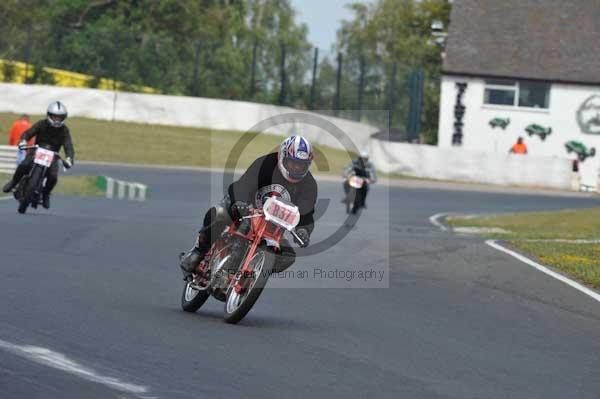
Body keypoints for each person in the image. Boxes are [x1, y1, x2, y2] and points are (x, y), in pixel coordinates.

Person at [180, 135, 318, 277]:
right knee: (219, 214)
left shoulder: (309, 185)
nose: (296, 168)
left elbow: (306, 213)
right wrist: (239, 202)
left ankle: (252, 274)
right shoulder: (266, 163)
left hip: (272, 228)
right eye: (293, 163)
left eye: (301, 165)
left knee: (288, 256)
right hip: (245, 209)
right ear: (283, 156)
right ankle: (198, 252)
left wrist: (304, 231)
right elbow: (244, 184)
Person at [2, 101, 74, 209]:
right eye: (54, 117)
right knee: (24, 165)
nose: (57, 120)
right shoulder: (41, 124)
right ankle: (14, 182)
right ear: (49, 115)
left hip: (53, 155)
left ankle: (46, 194)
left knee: (53, 176)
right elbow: (28, 133)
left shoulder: (64, 130)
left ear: (64, 118)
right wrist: (23, 140)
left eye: (59, 117)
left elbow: (68, 145)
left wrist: (69, 158)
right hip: (36, 150)